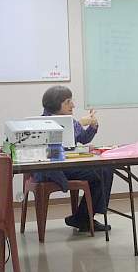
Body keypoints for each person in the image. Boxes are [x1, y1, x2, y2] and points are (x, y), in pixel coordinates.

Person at [33, 86, 113, 232]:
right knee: (102, 172)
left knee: (104, 169)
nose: (73, 105)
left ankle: (83, 217)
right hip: (52, 170)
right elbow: (59, 143)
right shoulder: (43, 122)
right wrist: (79, 123)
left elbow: (82, 138)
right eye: (68, 102)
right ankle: (83, 218)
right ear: (55, 104)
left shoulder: (67, 121)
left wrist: (93, 127)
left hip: (66, 166)